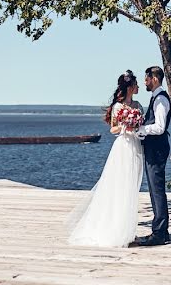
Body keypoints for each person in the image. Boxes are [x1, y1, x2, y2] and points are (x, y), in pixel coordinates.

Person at [67, 70, 144, 247]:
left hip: (136, 147)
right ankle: (116, 231)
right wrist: (126, 125)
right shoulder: (118, 107)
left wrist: (136, 124)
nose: (138, 87)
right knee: (120, 187)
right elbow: (113, 129)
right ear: (130, 87)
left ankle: (129, 231)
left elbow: (142, 124)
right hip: (123, 147)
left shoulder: (138, 105)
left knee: (132, 188)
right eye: (136, 84)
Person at [132, 65, 171, 246]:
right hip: (153, 149)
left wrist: (141, 129)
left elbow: (160, 127)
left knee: (157, 190)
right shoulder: (156, 98)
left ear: (154, 79)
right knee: (155, 190)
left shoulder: (161, 100)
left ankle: (159, 233)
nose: (145, 82)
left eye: (147, 79)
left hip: (157, 150)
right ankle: (162, 231)